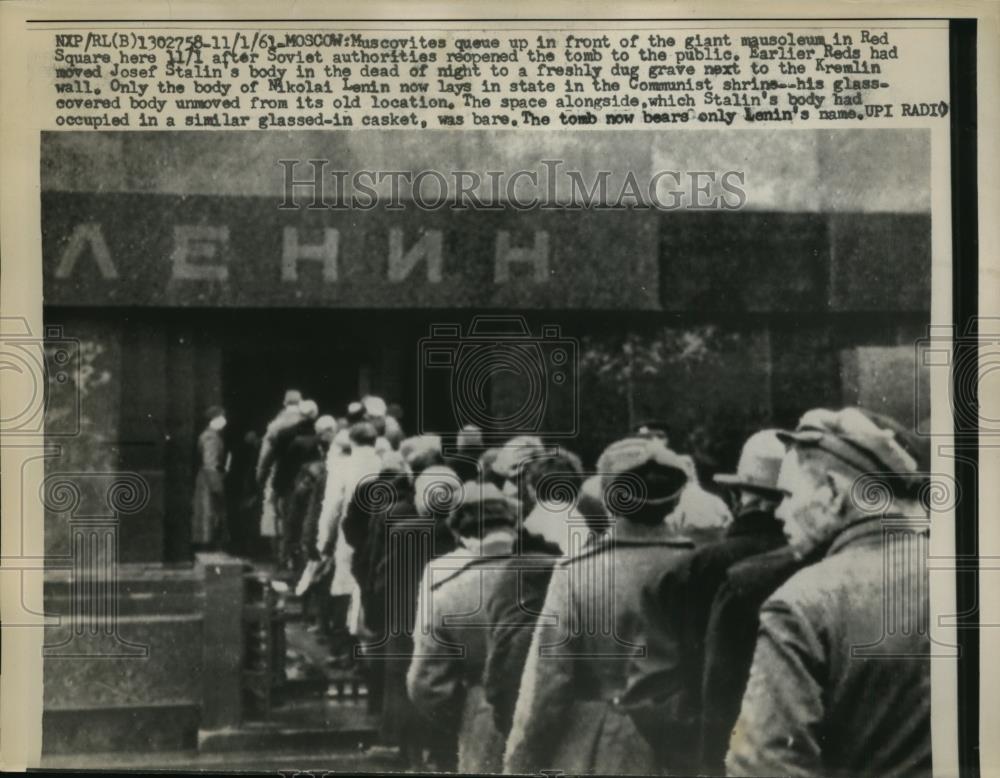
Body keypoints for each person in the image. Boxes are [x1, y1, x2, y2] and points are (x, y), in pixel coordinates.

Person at [726, 407, 932, 778]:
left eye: (790, 495)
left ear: (835, 493)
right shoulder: (970, 577)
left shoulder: (802, 601)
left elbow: (762, 763)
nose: (780, 513)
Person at [503, 437, 694, 775]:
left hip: (595, 743)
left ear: (608, 497)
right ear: (675, 498)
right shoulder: (698, 566)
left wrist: (521, 759)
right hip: (683, 744)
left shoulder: (576, 571)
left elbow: (548, 684)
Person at [639, 430, 790, 773]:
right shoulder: (813, 561)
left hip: (702, 754)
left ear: (737, 496)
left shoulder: (691, 570)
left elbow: (650, 687)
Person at [407, 481, 521, 773]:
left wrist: (460, 717)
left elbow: (426, 683)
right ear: (512, 524)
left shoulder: (446, 587)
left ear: (458, 531)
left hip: (482, 714)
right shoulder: (554, 574)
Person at [369, 465, 460, 769]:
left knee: (401, 683)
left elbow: (382, 579)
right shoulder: (458, 535)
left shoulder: (403, 531)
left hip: (404, 619)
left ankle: (405, 752)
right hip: (446, 622)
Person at [192, 405, 229, 550]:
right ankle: (210, 548)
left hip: (207, 477)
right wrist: (217, 485)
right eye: (221, 417)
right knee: (211, 514)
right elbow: (210, 462)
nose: (224, 420)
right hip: (210, 479)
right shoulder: (211, 437)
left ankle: (209, 546)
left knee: (209, 514)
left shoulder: (211, 435)